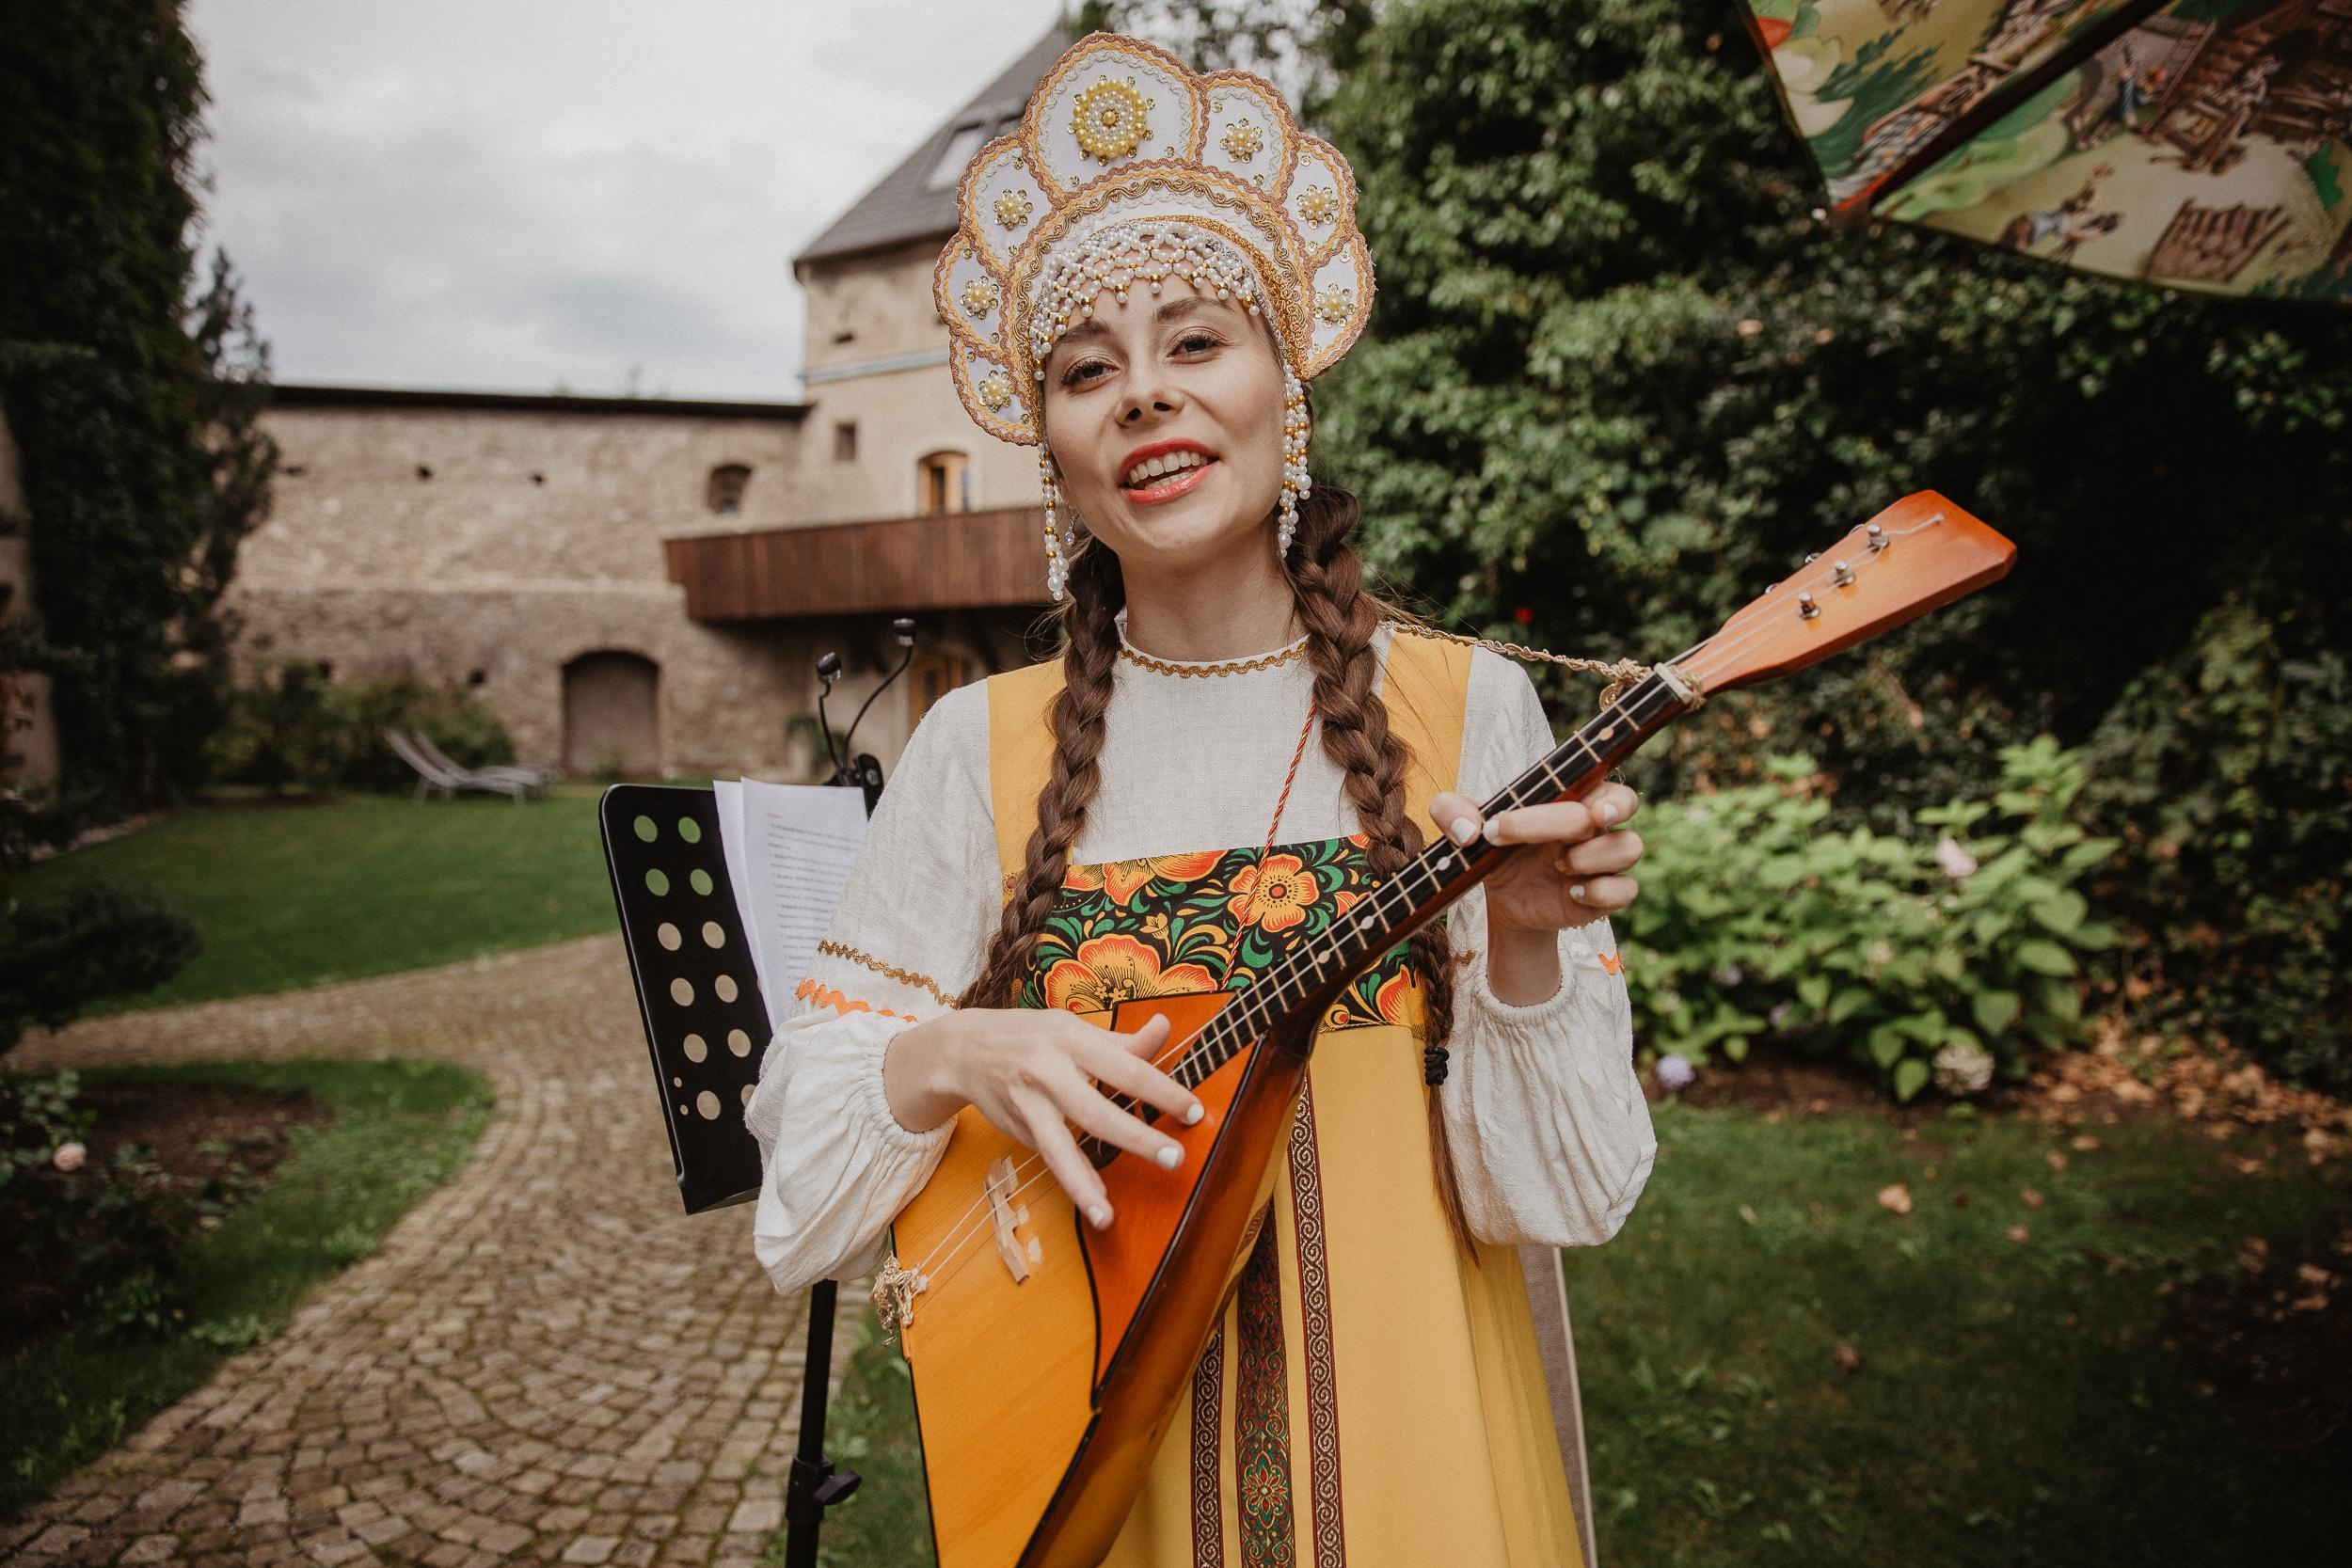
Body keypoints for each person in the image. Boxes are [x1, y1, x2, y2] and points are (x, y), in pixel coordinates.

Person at [746, 32, 1658, 1566]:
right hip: (1113, 1486)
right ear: (1051, 446)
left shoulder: (1466, 708)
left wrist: (1519, 944)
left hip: (1422, 1470)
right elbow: (804, 1198)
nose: (1145, 396)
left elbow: (1558, 1194)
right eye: (1086, 369)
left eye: (1195, 342)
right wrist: (952, 1051)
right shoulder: (975, 747)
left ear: (1282, 390)